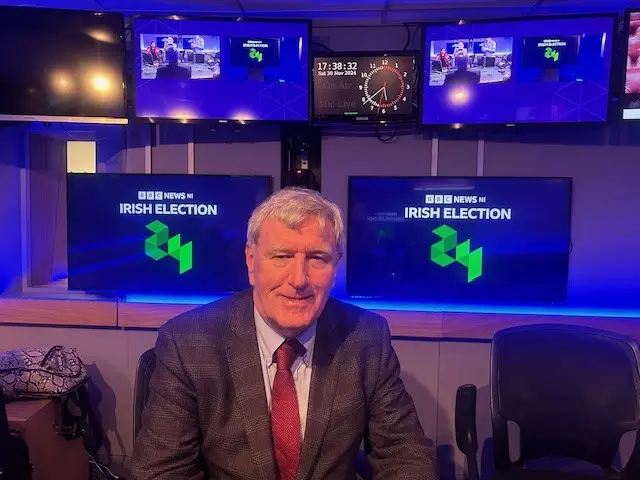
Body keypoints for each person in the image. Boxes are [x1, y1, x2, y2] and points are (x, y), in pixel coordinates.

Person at [131, 187, 437, 480]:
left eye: (317, 258)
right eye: (281, 256)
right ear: (252, 261)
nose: (298, 279)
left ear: (336, 266)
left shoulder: (366, 337)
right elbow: (161, 471)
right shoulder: (189, 342)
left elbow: (404, 453)